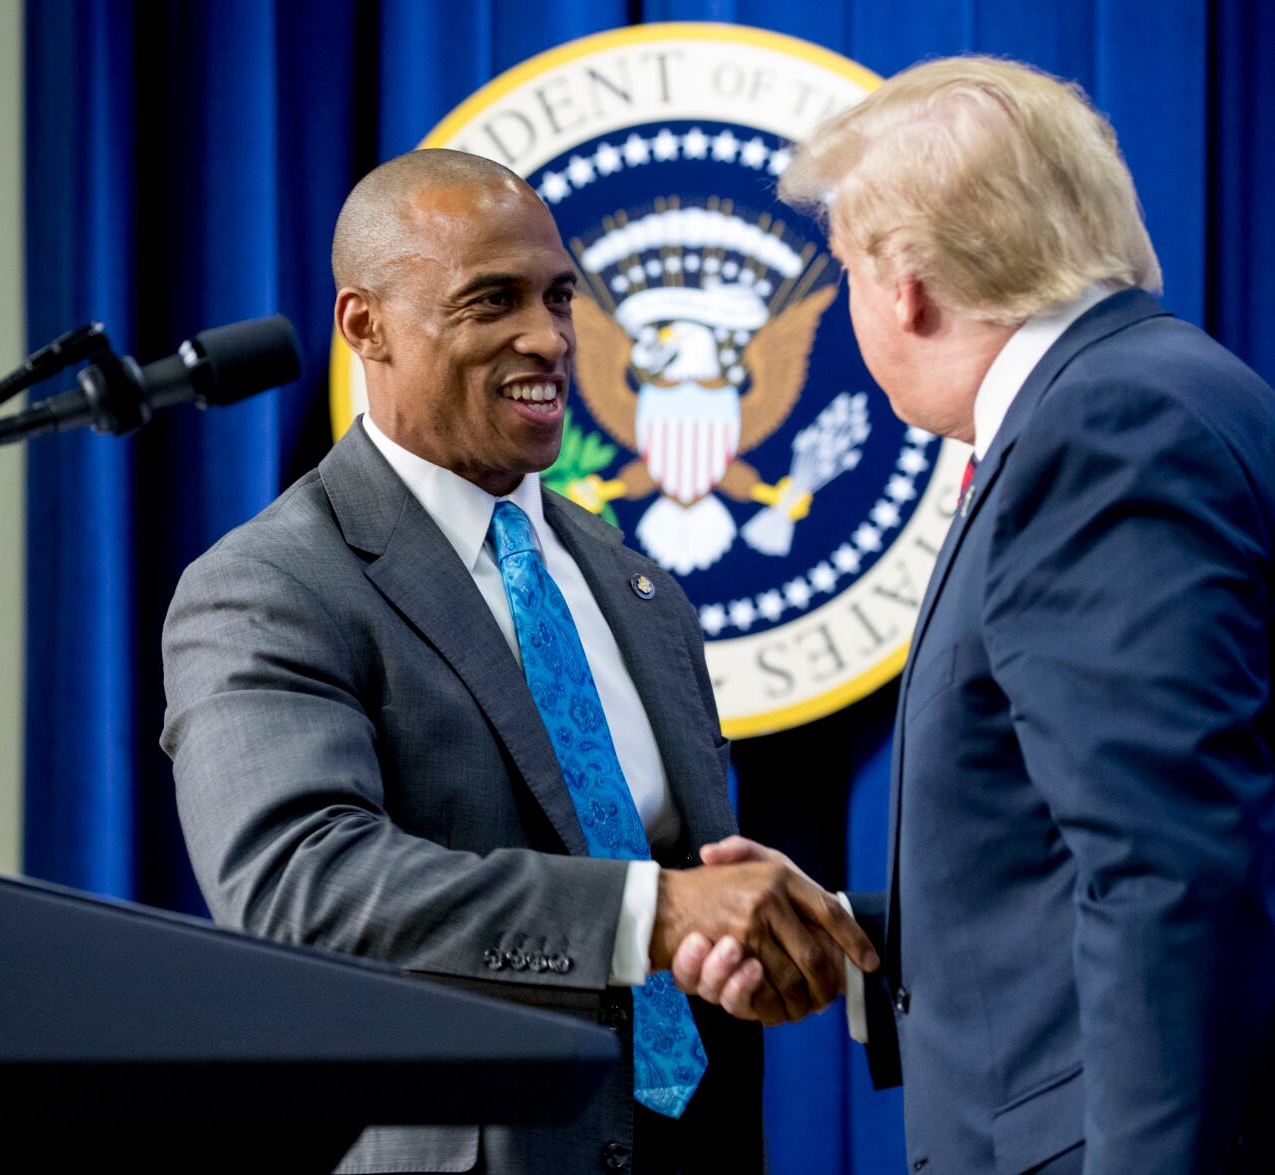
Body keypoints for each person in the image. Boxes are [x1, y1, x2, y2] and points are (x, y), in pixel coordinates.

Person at [672, 57, 1275, 1173]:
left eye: (842, 272)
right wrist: (859, 937)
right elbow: (1114, 837)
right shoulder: (1141, 393)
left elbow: (1169, 880)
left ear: (905, 286)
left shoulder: (1102, 430)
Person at [162, 148, 875, 1174]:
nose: (545, 337)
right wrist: (655, 909)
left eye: (557, 296)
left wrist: (739, 927)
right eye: (490, 300)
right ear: (364, 324)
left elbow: (667, 880)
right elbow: (301, 887)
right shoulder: (272, 585)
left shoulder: (637, 585)